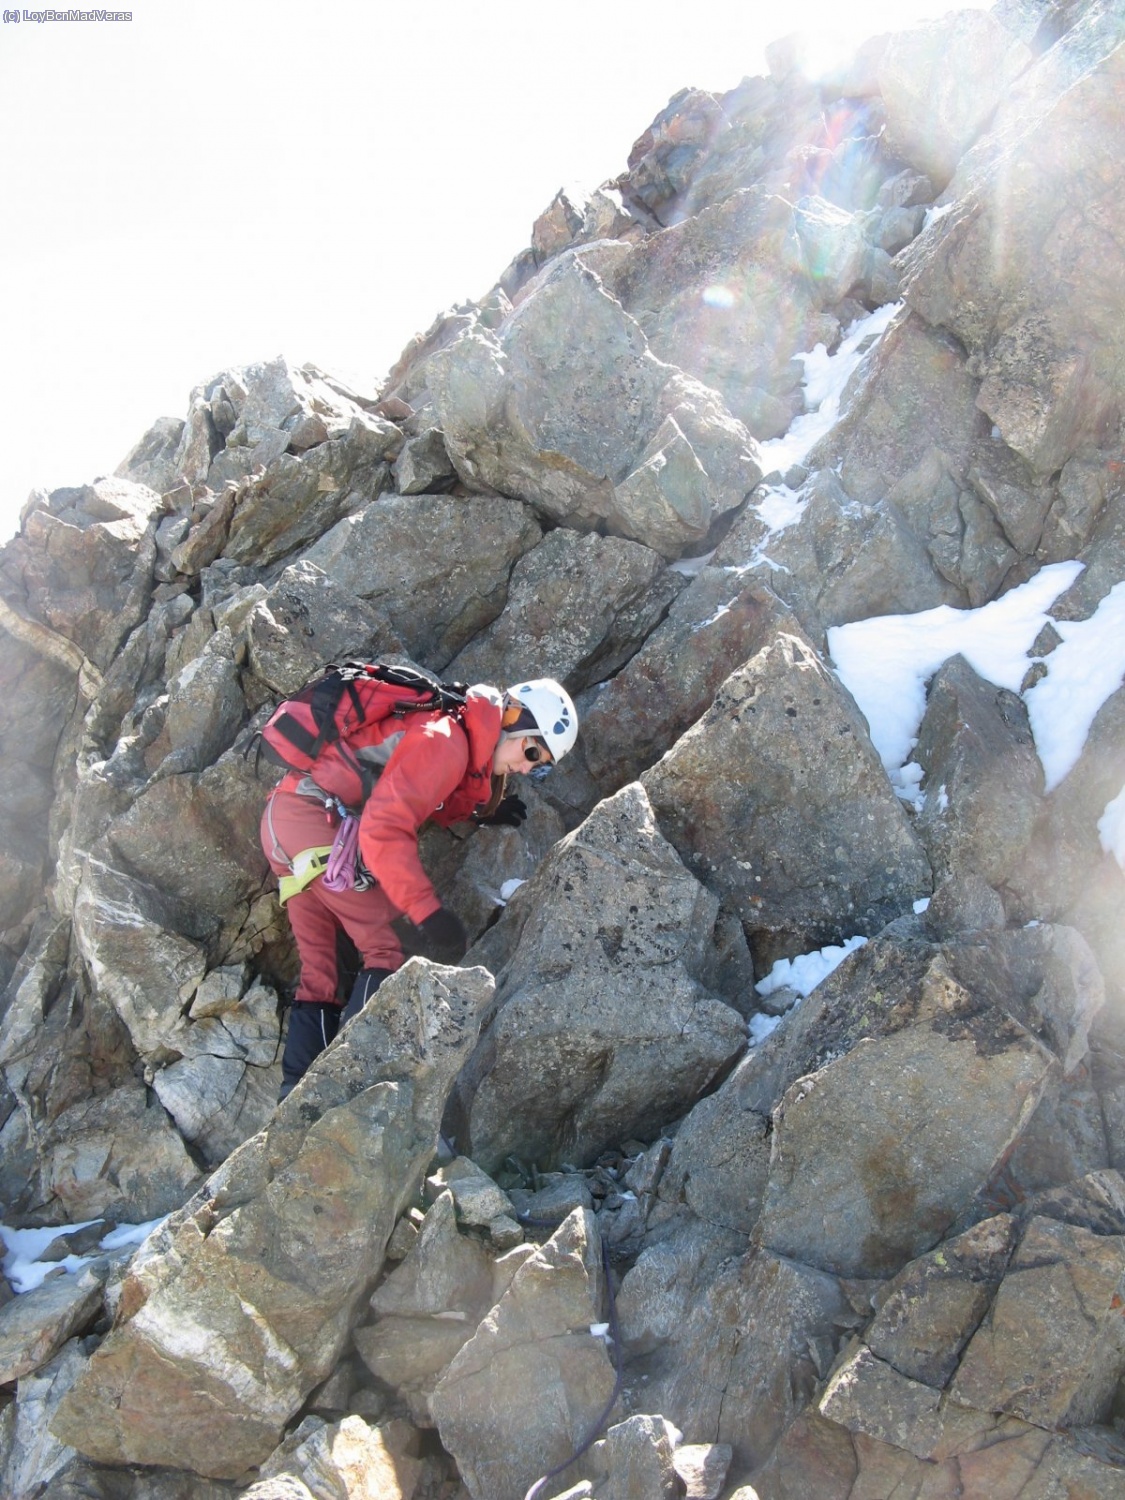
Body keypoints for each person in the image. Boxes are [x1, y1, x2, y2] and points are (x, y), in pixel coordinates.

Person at [261, 677, 578, 1099]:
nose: (527, 767)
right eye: (532, 751)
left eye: (539, 766)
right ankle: (343, 1090)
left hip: (288, 820)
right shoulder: (446, 739)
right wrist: (428, 912)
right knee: (387, 948)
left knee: (324, 973)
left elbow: (421, 791)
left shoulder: (451, 732)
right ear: (513, 720)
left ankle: (294, 1099)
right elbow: (383, 829)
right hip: (314, 823)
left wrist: (480, 813)